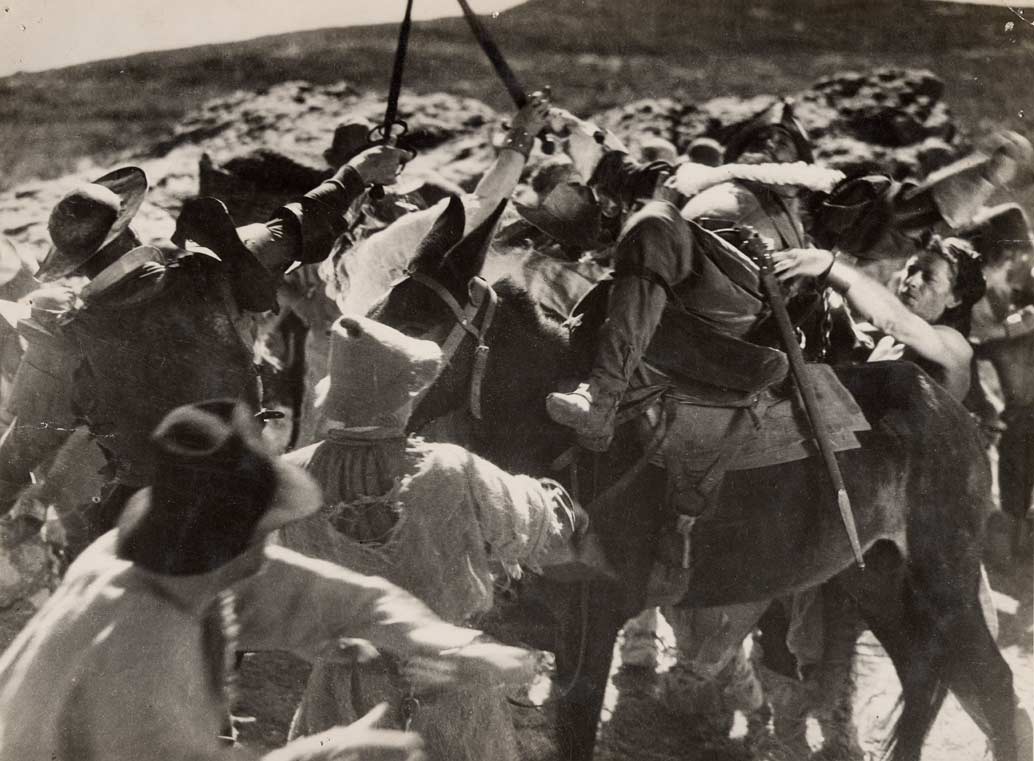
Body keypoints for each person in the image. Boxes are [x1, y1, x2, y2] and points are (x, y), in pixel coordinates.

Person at [0, 399, 537, 761]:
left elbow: (336, 597)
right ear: (231, 544)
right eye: (264, 529)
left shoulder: (165, 566)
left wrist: (445, 644)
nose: (270, 545)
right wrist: (321, 749)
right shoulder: (146, 648)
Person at [0, 144, 411, 555]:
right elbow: (296, 224)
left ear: (74, 264)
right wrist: (357, 172)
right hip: (246, 491)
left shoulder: (65, 340)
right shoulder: (213, 270)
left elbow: (19, 452)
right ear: (129, 228)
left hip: (150, 521)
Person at [281, 312, 598, 761]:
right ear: (404, 397)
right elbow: (548, 528)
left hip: (338, 695)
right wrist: (551, 496)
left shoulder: (290, 477)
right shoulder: (450, 470)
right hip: (447, 681)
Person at [770, 235, 986, 401]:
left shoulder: (955, 347)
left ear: (955, 299)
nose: (912, 281)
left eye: (929, 278)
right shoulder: (886, 341)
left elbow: (897, 322)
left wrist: (829, 266)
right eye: (911, 270)